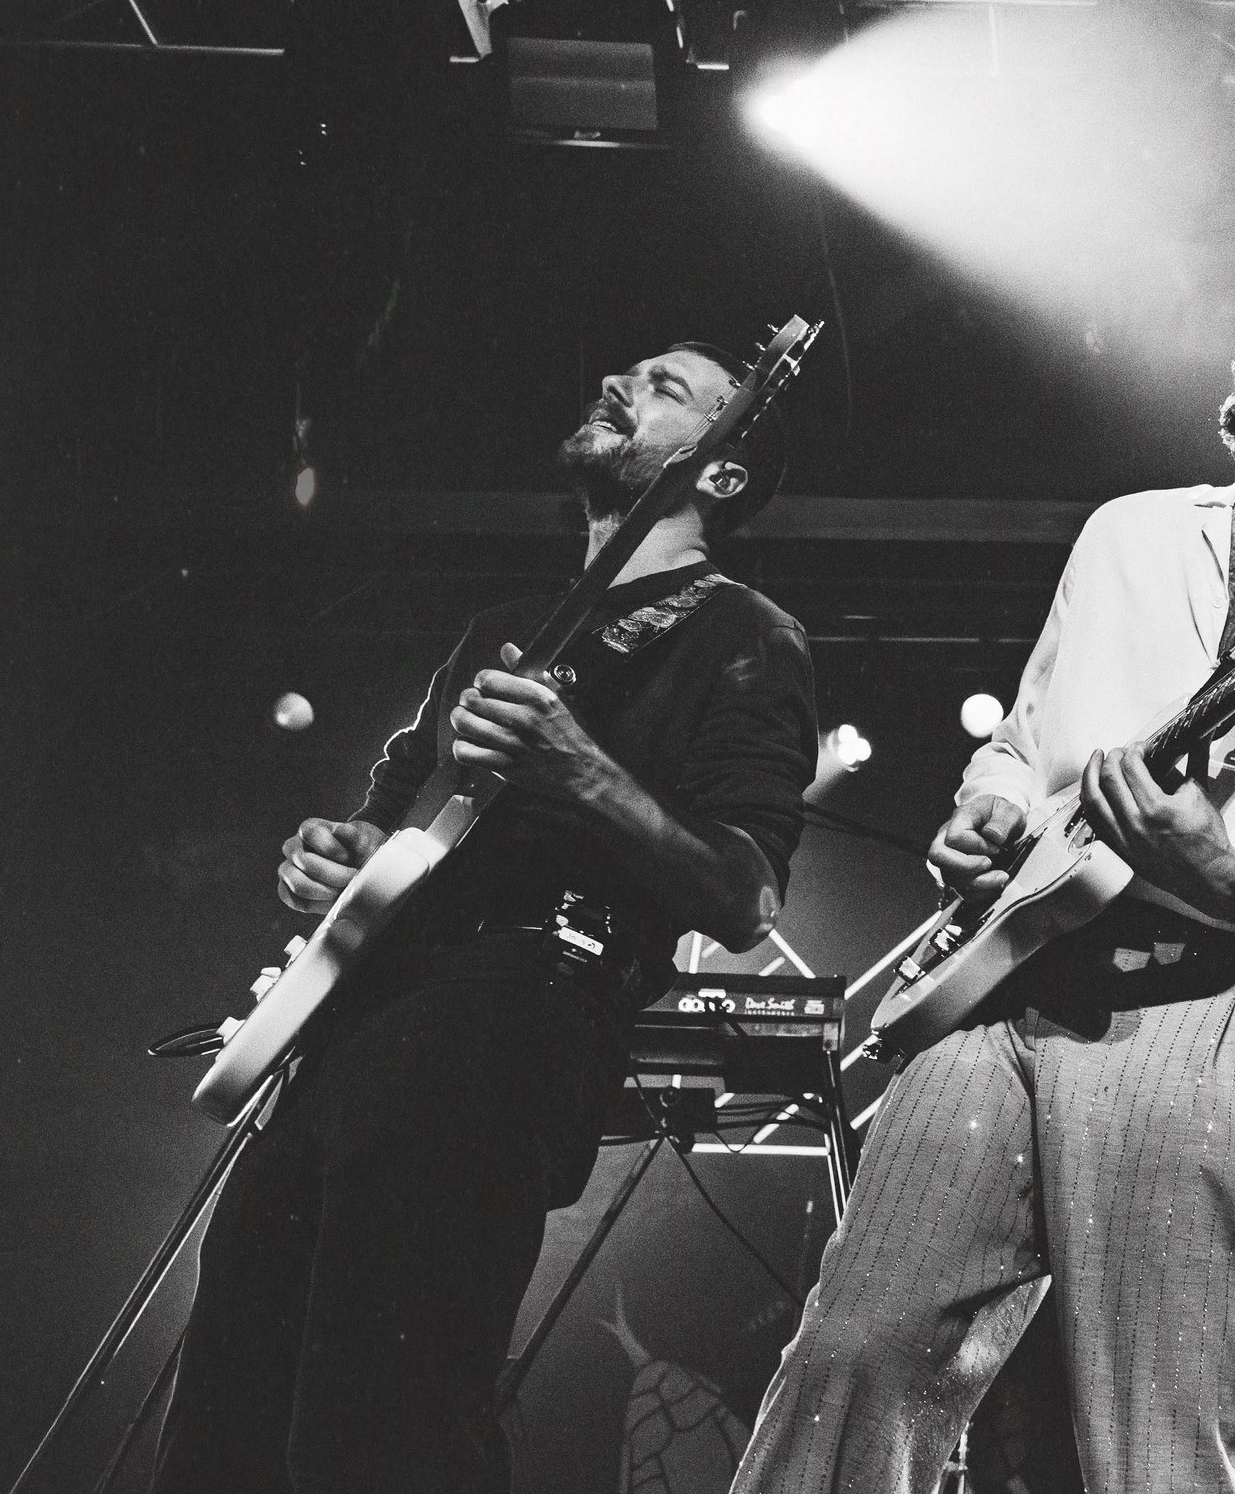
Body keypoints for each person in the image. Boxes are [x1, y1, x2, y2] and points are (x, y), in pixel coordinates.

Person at [731, 247, 1235, 1494]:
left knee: (1170, 1434)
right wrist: (980, 812)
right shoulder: (1131, 531)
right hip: (995, 994)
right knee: (852, 1353)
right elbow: (1025, 745)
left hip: (1210, 1000)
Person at [155, 343, 817, 1494]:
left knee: (389, 1408)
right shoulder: (505, 622)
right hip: (365, 1013)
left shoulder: (745, 632)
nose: (618, 378)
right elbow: (394, 820)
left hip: (515, 1011)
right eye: (627, 369)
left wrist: (580, 768)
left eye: (665, 387)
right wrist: (336, 857)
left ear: (721, 472)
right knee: (233, 1390)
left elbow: (746, 891)